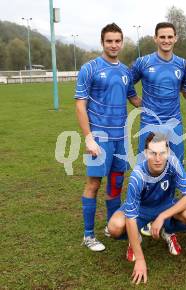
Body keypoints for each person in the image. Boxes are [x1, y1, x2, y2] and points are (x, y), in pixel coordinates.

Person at [74, 23, 141, 252]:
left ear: (122, 42)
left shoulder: (125, 72)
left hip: (120, 137)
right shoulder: (90, 68)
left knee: (116, 182)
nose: (114, 45)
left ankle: (112, 227)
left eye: (117, 41)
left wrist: (159, 102)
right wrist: (88, 138)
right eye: (109, 41)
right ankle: (88, 235)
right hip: (99, 137)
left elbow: (134, 98)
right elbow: (80, 106)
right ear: (102, 42)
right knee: (94, 183)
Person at [107, 132, 186, 285]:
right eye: (153, 153)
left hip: (165, 206)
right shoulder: (138, 175)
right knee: (114, 227)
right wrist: (141, 260)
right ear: (145, 153)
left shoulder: (173, 163)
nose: (158, 158)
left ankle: (168, 231)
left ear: (168, 152)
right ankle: (135, 238)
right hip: (142, 209)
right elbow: (130, 217)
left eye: (162, 153)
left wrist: (162, 216)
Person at [131, 22, 186, 164]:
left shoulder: (183, 64)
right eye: (162, 37)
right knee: (146, 166)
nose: (166, 40)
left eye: (169, 37)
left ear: (175, 38)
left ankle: (172, 187)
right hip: (149, 122)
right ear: (155, 38)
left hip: (174, 123)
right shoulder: (143, 62)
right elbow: (126, 83)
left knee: (176, 165)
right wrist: (135, 99)